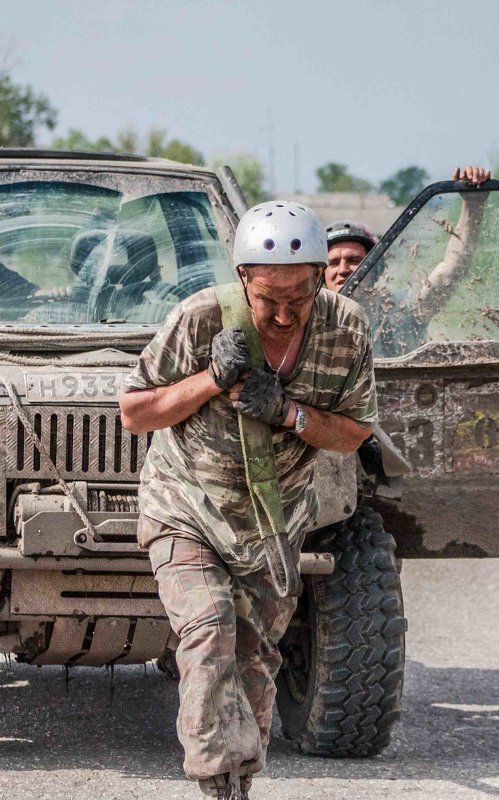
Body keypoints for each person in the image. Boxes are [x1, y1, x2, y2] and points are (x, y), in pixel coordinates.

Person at [118, 200, 377, 799]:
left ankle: (240, 779)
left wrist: (289, 413)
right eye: (268, 300)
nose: (284, 316)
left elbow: (353, 432)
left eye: (299, 299)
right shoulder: (200, 318)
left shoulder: (346, 330)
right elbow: (134, 412)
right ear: (242, 280)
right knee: (209, 634)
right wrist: (210, 379)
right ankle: (214, 779)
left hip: (274, 517)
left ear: (319, 278)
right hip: (188, 506)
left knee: (256, 657)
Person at [324, 165, 491, 356]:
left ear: (376, 269)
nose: (343, 269)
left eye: (354, 260)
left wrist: (473, 205)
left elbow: (449, 273)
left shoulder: (402, 308)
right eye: (333, 263)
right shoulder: (310, 318)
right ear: (320, 274)